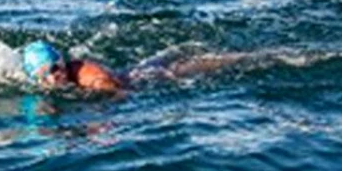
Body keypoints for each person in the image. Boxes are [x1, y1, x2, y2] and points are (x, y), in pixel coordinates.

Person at [21, 40, 248, 99]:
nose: (54, 75)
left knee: (213, 64)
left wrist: (102, 113)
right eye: (45, 73)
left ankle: (271, 54)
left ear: (62, 62)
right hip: (139, 68)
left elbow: (120, 92)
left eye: (56, 67)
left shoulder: (88, 75)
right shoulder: (44, 83)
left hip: (150, 77)